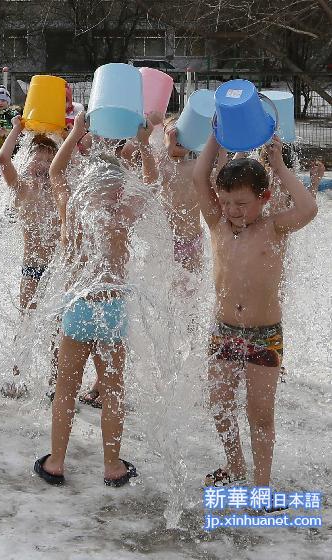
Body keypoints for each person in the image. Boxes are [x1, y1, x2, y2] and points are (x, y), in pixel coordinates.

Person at [34, 111, 156, 487]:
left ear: (86, 186)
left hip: (78, 307)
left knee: (66, 389)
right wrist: (145, 143)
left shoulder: (72, 209)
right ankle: (111, 466)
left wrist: (75, 132)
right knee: (114, 391)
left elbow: (56, 172)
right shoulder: (123, 214)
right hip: (112, 308)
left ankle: (56, 461)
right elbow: (152, 181)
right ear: (120, 189)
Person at [193, 135, 317, 489]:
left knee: (260, 415)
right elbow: (199, 176)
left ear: (264, 198)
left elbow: (309, 207)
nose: (233, 209)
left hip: (264, 335)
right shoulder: (217, 224)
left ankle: (262, 485)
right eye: (227, 201)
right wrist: (216, 135)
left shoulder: (274, 227)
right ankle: (235, 465)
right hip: (224, 331)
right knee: (219, 403)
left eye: (242, 203)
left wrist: (278, 167)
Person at [0, 115, 59, 398]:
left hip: (59, 270)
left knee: (59, 328)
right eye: (38, 158)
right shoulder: (22, 190)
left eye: (50, 160)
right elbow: (2, 159)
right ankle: (15, 376)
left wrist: (69, 133)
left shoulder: (62, 191)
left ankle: (55, 381)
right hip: (32, 268)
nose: (43, 165)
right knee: (26, 321)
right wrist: (17, 130)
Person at [155, 119, 204, 275]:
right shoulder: (164, 166)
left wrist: (221, 147)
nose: (179, 139)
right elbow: (152, 180)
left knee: (193, 287)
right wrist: (168, 146)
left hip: (193, 240)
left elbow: (219, 180)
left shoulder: (195, 166)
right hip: (168, 243)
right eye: (174, 134)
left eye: (184, 135)